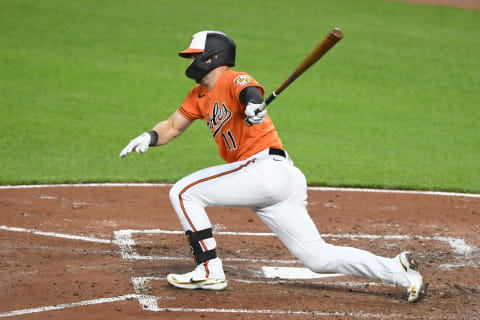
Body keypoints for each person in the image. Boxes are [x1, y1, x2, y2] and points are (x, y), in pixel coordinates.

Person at [119, 30, 427, 302]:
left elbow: (248, 90)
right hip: (272, 179)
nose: (189, 62)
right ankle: (396, 269)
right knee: (317, 258)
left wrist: (254, 104)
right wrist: (149, 136)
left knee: (184, 192)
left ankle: (210, 269)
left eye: (193, 56)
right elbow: (172, 126)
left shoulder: (231, 79)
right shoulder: (199, 95)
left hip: (264, 169)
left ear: (212, 58)